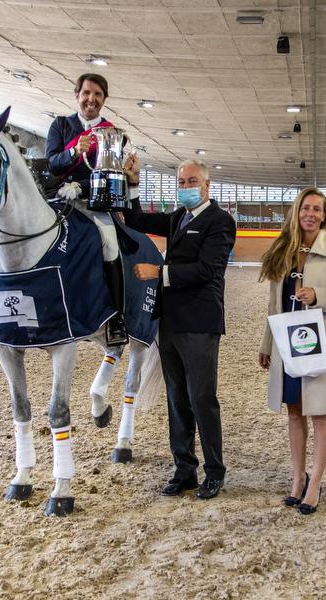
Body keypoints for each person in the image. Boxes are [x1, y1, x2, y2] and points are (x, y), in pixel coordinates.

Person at [124, 158, 236, 500]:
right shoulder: (177, 218)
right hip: (171, 321)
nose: (185, 187)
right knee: (176, 398)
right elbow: (137, 219)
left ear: (206, 186)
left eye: (191, 182)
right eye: (181, 182)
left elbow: (208, 270)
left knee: (202, 397)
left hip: (200, 322)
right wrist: (132, 184)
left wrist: (161, 273)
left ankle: (214, 470)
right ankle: (184, 468)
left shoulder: (220, 222)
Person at [258, 188, 326, 515]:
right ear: (297, 212)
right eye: (305, 208)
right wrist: (266, 343)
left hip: (318, 342)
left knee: (320, 413)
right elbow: (274, 303)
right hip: (286, 341)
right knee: (294, 412)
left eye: (317, 209)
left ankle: (315, 483)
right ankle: (298, 477)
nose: (310, 214)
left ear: (325, 215)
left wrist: (319, 295)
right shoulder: (281, 250)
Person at [45, 73, 127, 346]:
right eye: (87, 93)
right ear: (77, 95)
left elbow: (109, 172)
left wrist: (81, 186)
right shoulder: (60, 125)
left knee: (110, 244)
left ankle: (116, 318)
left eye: (98, 95)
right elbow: (52, 163)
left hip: (91, 200)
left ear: (104, 100)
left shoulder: (112, 131)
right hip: (58, 198)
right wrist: (73, 152)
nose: (91, 99)